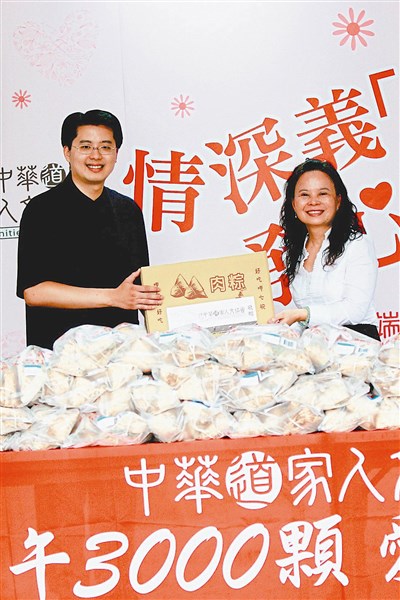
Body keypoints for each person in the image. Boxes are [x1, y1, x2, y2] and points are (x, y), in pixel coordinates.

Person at [17, 109, 163, 349]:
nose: (96, 156)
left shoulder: (128, 210)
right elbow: (34, 292)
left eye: (105, 147)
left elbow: (139, 286)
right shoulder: (41, 210)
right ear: (67, 152)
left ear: (116, 154)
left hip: (121, 354)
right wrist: (112, 297)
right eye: (85, 147)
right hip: (60, 355)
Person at [269, 158, 380, 340]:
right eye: (304, 195)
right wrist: (282, 328)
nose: (313, 202)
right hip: (316, 344)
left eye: (322, 194)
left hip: (357, 343)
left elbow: (355, 311)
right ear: (293, 204)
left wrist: (301, 314)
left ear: (338, 201)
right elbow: (308, 318)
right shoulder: (294, 252)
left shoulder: (358, 244)